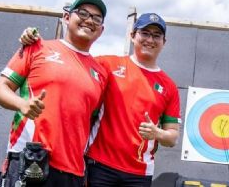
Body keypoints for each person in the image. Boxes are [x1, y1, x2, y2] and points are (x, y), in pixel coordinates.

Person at [20, 12, 181, 187]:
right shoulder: (107, 65)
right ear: (133, 36)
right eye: (145, 33)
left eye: (156, 35)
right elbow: (70, 59)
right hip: (99, 164)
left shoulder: (169, 87)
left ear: (164, 42)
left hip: (140, 173)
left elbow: (172, 137)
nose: (150, 39)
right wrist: (36, 43)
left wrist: (157, 134)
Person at [0, 0, 108, 187]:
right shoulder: (37, 47)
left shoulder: (101, 73)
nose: (89, 20)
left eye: (96, 18)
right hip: (30, 160)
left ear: (101, 30)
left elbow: (90, 120)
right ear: (66, 17)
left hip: (74, 171)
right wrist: (22, 104)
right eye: (83, 13)